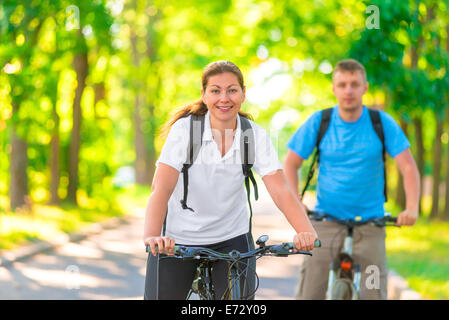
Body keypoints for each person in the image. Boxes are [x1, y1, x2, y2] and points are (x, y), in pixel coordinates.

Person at [143, 60, 318, 300]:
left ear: (243, 94)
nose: (224, 98)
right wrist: (153, 235)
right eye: (215, 90)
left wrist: (305, 231)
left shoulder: (253, 135)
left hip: (231, 239)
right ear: (204, 95)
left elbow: (280, 190)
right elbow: (161, 188)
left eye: (232, 90)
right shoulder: (185, 131)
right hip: (178, 240)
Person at [283, 59, 420, 300]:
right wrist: (297, 203)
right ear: (334, 88)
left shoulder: (381, 122)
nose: (348, 90)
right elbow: (291, 163)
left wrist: (411, 208)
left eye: (354, 84)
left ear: (364, 88)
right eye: (342, 84)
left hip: (371, 223)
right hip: (325, 221)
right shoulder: (320, 121)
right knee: (309, 292)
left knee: (373, 292)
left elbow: (408, 168)